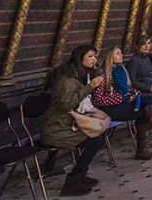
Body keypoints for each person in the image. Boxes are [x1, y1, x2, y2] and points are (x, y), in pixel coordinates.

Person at [41, 45, 106, 197]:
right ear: (79, 58)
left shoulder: (80, 74)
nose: (94, 59)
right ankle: (73, 181)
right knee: (94, 141)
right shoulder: (68, 78)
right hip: (57, 129)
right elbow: (66, 103)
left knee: (98, 137)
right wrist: (90, 86)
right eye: (90, 56)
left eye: (95, 56)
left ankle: (79, 176)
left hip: (68, 124)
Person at [92, 47, 152, 160]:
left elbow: (127, 89)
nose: (121, 55)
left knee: (148, 99)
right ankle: (142, 148)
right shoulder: (104, 75)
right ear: (110, 57)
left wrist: (134, 93)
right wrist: (124, 98)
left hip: (123, 103)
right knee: (143, 112)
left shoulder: (121, 70)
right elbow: (99, 99)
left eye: (121, 52)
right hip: (109, 108)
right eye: (117, 53)